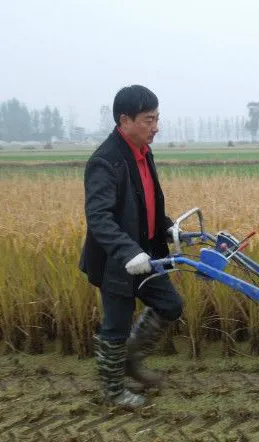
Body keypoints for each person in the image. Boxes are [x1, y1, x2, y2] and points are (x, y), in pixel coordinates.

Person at [79, 85, 183, 408]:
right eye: (148, 120)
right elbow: (98, 218)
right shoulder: (105, 161)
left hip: (147, 256)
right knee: (116, 326)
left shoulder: (142, 152)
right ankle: (113, 392)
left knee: (171, 305)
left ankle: (132, 361)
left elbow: (144, 200)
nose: (156, 128)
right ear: (125, 120)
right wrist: (128, 252)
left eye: (157, 119)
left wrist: (168, 227)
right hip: (116, 262)